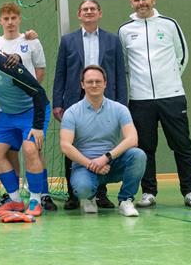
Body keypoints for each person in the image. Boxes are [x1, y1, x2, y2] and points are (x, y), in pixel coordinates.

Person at [118, 0, 191, 208]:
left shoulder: (169, 24)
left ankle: (190, 191)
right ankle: (148, 192)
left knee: (182, 145)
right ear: (131, 3)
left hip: (172, 97)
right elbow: (124, 64)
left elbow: (182, 56)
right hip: (140, 100)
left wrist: (170, 80)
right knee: (145, 148)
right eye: (137, 0)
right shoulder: (125, 30)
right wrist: (139, 85)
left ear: (153, 0)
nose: (141, 3)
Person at [53, 0, 126, 210]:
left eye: (93, 9)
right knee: (72, 145)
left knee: (103, 145)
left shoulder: (113, 40)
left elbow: (120, 73)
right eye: (85, 9)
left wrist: (121, 102)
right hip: (74, 100)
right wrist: (58, 102)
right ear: (79, 14)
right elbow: (60, 73)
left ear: (99, 13)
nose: (89, 11)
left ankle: (100, 194)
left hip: (106, 99)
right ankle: (73, 195)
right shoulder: (68, 41)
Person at [0, 32, 49, 217]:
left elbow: (39, 93)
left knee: (30, 150)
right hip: (7, 114)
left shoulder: (10, 67)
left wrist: (37, 127)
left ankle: (35, 201)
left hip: (32, 112)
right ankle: (15, 201)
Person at [59, 65, 146, 217]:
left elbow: (132, 139)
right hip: (84, 166)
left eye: (98, 81)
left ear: (105, 83)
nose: (94, 85)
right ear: (82, 84)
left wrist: (106, 158)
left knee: (138, 155)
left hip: (111, 163)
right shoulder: (71, 112)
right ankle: (89, 198)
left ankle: (125, 200)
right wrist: (91, 165)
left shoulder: (120, 109)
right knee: (83, 188)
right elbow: (65, 146)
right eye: (89, 81)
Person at [0, 2, 54, 211]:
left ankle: (41, 196)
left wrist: (27, 92)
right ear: (0, 21)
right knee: (3, 151)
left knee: (33, 150)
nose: (10, 22)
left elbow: (40, 71)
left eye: (13, 18)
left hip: (31, 107)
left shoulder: (31, 41)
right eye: (6, 19)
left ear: (19, 19)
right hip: (6, 110)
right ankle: (15, 197)